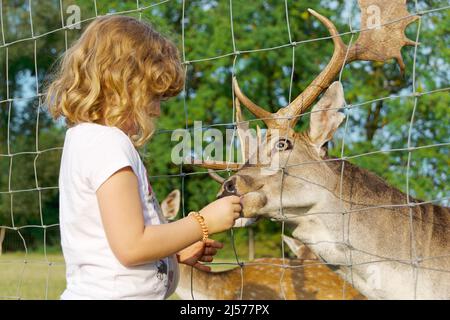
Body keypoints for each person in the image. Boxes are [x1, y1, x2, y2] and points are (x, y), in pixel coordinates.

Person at [45, 15, 241, 300]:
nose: (156, 111)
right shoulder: (107, 143)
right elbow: (132, 246)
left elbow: (113, 241)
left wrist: (173, 250)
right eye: (154, 96)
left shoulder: (86, 139)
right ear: (125, 87)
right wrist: (203, 222)